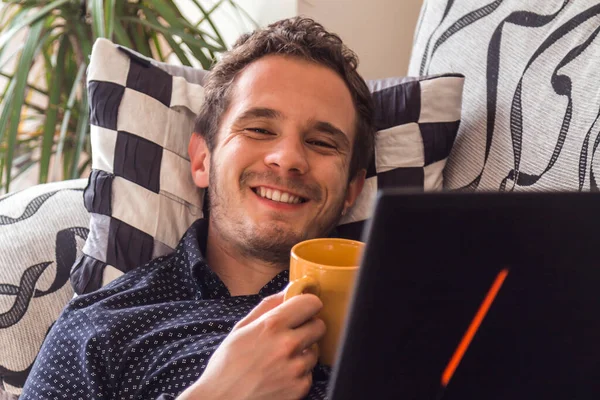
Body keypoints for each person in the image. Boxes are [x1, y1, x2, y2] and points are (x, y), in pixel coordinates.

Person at [21, 16, 375, 400]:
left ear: (351, 191)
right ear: (202, 160)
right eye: (259, 129)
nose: (288, 158)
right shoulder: (98, 330)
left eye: (322, 142)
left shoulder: (409, 315)